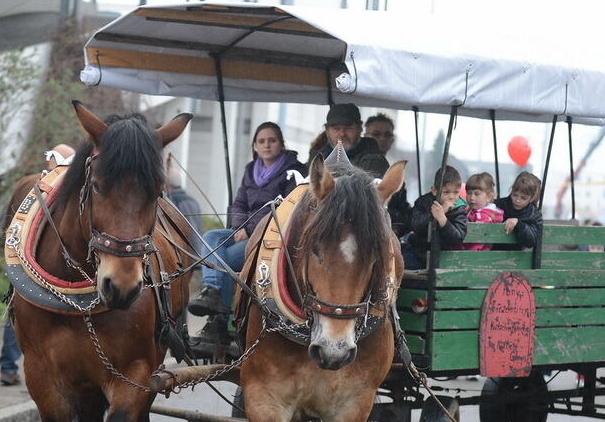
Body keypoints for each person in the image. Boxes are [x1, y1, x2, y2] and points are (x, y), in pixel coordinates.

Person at [188, 122, 305, 347]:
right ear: (255, 145)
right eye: (261, 141)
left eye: (272, 140)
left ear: (281, 144)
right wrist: (240, 226)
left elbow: (286, 209)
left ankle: (219, 321)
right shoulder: (251, 169)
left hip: (270, 237)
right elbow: (239, 203)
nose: (267, 145)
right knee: (211, 237)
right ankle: (211, 289)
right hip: (244, 231)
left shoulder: (294, 171)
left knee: (219, 257)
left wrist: (251, 230)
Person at [0, 143, 75, 386]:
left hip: (24, 264)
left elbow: (7, 227)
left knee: (19, 312)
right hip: (44, 267)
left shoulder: (28, 184)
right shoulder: (61, 189)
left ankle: (9, 367)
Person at [309, 103, 411, 235]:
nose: (342, 133)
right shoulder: (317, 159)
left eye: (348, 128)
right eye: (336, 128)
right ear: (327, 131)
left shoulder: (375, 161)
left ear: (359, 129)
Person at [401, 165, 468, 269]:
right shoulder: (423, 202)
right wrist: (433, 216)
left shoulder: (459, 209)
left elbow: (457, 239)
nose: (451, 197)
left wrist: (443, 220)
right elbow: (415, 226)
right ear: (434, 190)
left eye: (456, 192)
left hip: (445, 259)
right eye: (446, 192)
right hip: (419, 253)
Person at [492, 171, 544, 250]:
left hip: (517, 258)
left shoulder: (534, 214)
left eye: (523, 198)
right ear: (512, 190)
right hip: (492, 253)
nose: (517, 200)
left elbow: (532, 240)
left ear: (532, 198)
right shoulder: (498, 205)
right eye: (515, 195)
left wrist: (519, 224)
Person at [165, 153, 203, 253]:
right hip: (198, 253)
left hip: (183, 254)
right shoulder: (193, 201)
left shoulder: (170, 201)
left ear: (167, 184)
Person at [462, 171, 504, 251]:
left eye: (477, 194)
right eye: (469, 193)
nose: (471, 198)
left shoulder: (485, 216)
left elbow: (478, 239)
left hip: (476, 255)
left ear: (488, 197)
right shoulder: (470, 211)